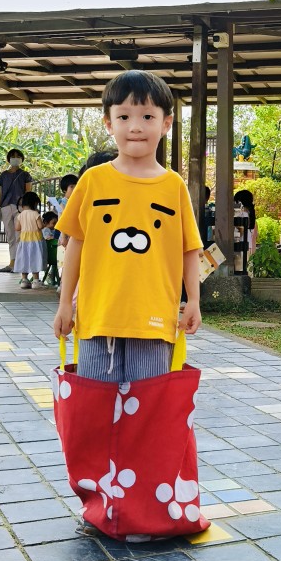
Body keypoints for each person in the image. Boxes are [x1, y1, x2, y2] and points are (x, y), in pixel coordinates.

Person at [53, 67, 202, 421]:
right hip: (97, 319)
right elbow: (75, 246)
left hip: (153, 322)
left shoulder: (174, 186)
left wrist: (194, 300)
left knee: (146, 416)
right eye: (124, 117)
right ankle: (95, 463)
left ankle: (142, 462)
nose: (135, 126)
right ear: (109, 124)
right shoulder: (93, 181)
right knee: (93, 413)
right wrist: (64, 304)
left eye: (147, 116)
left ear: (166, 124)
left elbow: (189, 249)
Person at [0, 148, 32, 272]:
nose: (16, 158)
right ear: (8, 159)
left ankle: (17, 263)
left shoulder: (25, 175)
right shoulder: (3, 175)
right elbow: (0, 194)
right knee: (10, 236)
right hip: (5, 207)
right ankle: (12, 262)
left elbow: (28, 192)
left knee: (19, 236)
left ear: (22, 159)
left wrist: (27, 208)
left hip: (19, 207)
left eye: (18, 156)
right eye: (13, 156)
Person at [15, 191, 46, 289]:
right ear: (35, 203)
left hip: (24, 241)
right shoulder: (35, 214)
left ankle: (24, 280)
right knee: (35, 259)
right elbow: (40, 226)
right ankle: (36, 280)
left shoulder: (21, 215)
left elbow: (17, 228)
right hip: (35, 240)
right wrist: (44, 224)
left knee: (24, 259)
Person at [234, 188, 258, 254]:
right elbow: (254, 240)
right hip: (249, 250)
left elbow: (239, 234)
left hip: (240, 250)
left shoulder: (242, 215)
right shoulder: (252, 218)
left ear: (240, 202)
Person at [41, 211, 60, 287]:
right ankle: (51, 276)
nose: (55, 225)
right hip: (49, 253)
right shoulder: (46, 229)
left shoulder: (52, 230)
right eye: (53, 223)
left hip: (50, 253)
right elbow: (48, 238)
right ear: (46, 222)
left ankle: (51, 276)